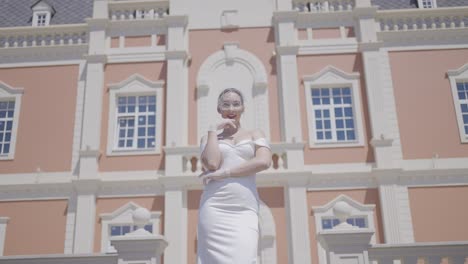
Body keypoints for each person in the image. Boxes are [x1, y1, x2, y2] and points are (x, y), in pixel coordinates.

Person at [197, 88, 272, 263]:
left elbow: (264, 162)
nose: (231, 109)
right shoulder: (208, 138)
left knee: (245, 257)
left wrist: (226, 173)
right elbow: (212, 163)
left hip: (244, 208)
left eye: (236, 104)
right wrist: (212, 131)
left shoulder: (256, 134)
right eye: (226, 104)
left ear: (243, 108)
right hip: (214, 207)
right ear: (219, 109)